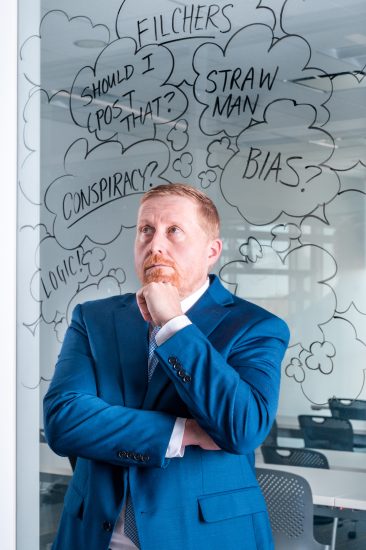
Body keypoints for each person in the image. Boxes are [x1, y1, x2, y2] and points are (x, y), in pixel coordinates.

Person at [44, 183, 290, 550]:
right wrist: (184, 432)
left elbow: (241, 429)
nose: (155, 244)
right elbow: (64, 422)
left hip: (203, 537)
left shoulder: (256, 327)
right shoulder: (92, 318)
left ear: (212, 251)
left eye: (174, 231)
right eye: (146, 230)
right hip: (93, 535)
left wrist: (174, 324)